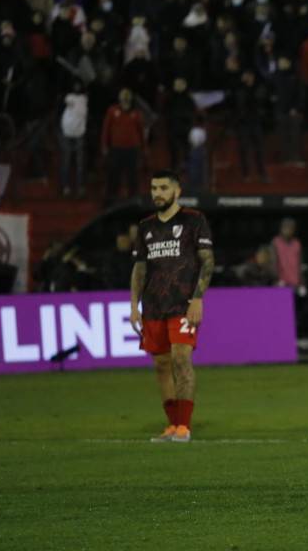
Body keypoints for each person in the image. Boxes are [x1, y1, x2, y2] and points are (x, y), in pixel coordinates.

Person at [130, 170, 215, 443]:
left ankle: (184, 427)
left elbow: (207, 261)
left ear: (177, 191)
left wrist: (198, 298)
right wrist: (134, 305)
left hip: (182, 304)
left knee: (181, 359)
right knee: (161, 365)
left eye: (163, 188)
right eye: (154, 188)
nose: (157, 193)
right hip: (154, 306)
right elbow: (140, 269)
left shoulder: (194, 220)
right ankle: (172, 425)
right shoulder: (145, 226)